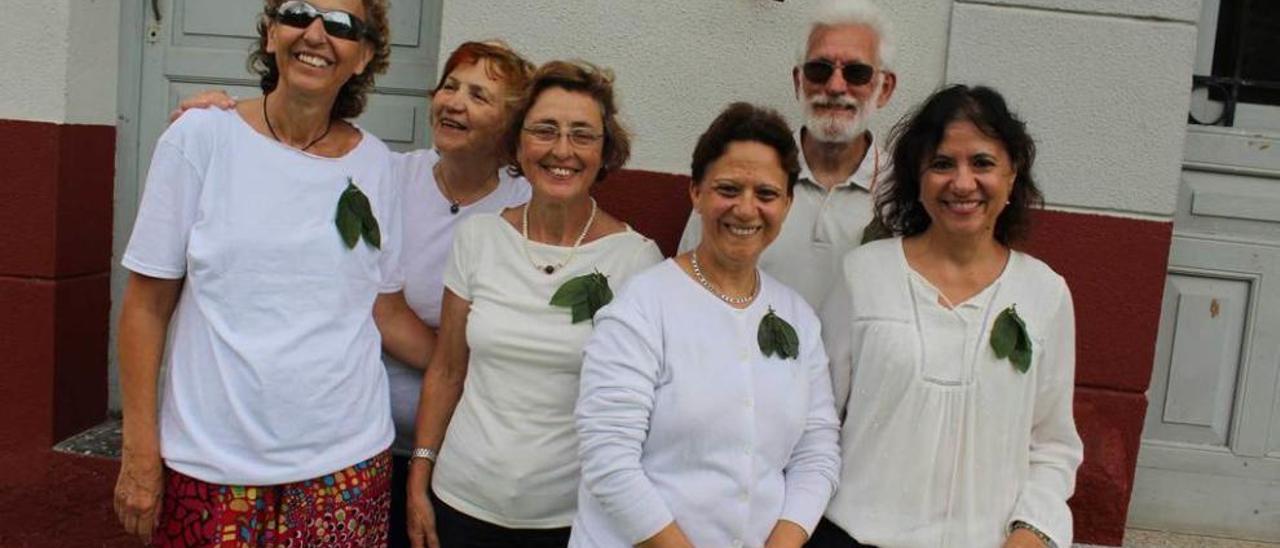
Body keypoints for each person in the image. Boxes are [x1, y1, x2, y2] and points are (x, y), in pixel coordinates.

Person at [165, 40, 538, 547]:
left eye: (479, 96)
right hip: (371, 435)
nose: (454, 102)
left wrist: (468, 385)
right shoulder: (388, 173)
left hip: (464, 443)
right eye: (450, 86)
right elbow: (364, 290)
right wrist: (217, 117)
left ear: (510, 126)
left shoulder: (525, 209)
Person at [112, 0, 427, 545]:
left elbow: (384, 307)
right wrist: (140, 451)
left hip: (345, 465)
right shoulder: (200, 139)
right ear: (270, 35)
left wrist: (479, 367)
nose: (314, 33)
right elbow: (146, 304)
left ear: (363, 57)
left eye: (340, 25)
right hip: (211, 462)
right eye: (297, 13)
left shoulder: (376, 165)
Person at [405, 60, 664, 548]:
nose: (561, 150)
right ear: (519, 145)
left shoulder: (636, 261)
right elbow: (446, 370)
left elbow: (641, 407)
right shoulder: (478, 238)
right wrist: (419, 476)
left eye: (582, 135)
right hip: (460, 502)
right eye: (544, 130)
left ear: (605, 150)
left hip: (567, 518)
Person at [815, 85, 1083, 548]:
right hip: (853, 535)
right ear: (916, 178)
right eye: (942, 164)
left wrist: (1031, 532)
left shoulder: (1045, 294)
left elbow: (1053, 445)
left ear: (1012, 175)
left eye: (982, 163)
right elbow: (815, 418)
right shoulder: (864, 275)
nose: (962, 183)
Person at [570, 102, 841, 548]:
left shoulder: (797, 317)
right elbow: (608, 458)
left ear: (788, 203)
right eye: (728, 189)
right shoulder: (642, 306)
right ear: (695, 192)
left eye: (767, 194)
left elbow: (818, 452)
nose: (746, 209)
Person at [677, 0, 897, 310]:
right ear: (798, 81)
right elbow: (687, 285)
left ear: (884, 88)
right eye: (819, 70)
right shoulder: (737, 177)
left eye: (856, 72)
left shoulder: (904, 192)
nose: (835, 86)